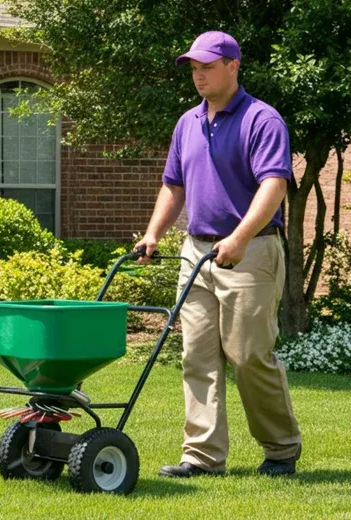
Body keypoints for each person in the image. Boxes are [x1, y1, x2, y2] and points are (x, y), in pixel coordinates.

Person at [133, 30, 303, 478]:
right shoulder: (188, 122)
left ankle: (282, 448)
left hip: (251, 251)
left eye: (207, 66)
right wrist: (153, 234)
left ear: (233, 66)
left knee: (249, 356)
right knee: (198, 356)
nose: (198, 75)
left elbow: (274, 185)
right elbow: (174, 185)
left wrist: (242, 237)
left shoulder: (261, 120)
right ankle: (203, 457)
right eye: (193, 68)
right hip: (197, 251)